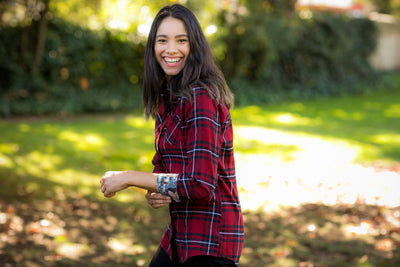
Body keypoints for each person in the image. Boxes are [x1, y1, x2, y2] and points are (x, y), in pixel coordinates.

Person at [100, 4, 244, 266]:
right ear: (153, 47)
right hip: (180, 233)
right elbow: (169, 172)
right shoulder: (169, 99)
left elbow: (201, 184)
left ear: (194, 47)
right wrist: (157, 190)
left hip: (210, 241)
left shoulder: (200, 97)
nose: (171, 49)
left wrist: (130, 178)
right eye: (162, 40)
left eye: (181, 40)